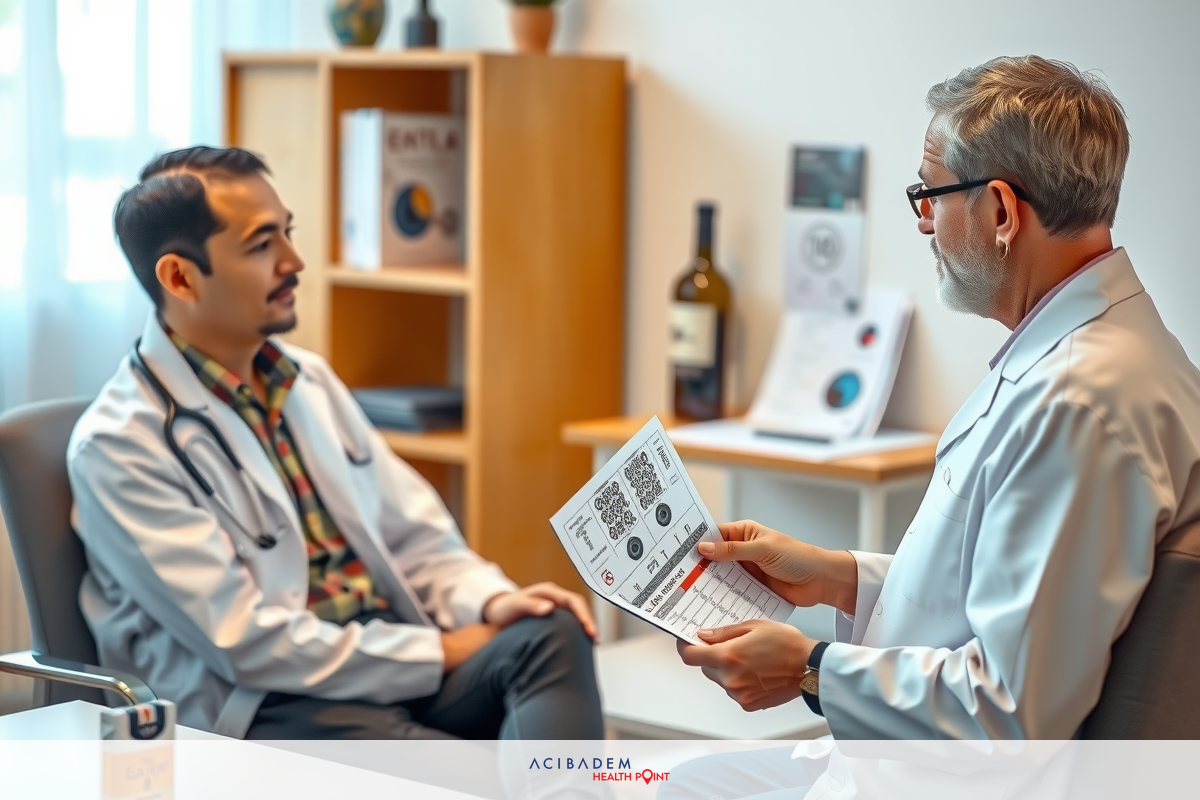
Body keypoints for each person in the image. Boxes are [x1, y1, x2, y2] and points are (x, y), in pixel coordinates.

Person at [674, 54, 1200, 749]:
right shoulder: (1095, 353)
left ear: (1002, 210)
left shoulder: (1079, 404)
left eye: (931, 194)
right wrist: (837, 577)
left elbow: (1010, 710)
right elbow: (1009, 593)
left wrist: (811, 669)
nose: (924, 222)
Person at [68, 146, 604, 740]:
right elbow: (244, 642)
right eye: (262, 245)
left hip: (389, 656)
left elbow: (417, 535)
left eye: (287, 235)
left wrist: (487, 603)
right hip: (270, 702)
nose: (295, 261)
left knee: (551, 628)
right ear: (180, 277)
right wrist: (443, 651)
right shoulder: (119, 445)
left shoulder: (307, 380)